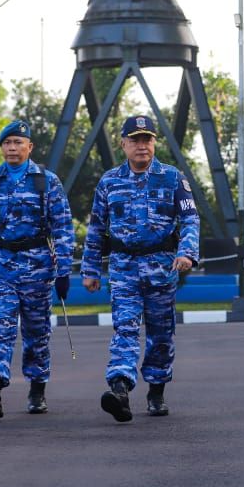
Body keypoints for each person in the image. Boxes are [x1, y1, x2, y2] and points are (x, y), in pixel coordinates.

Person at [82, 115, 200, 422]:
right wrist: (91, 269)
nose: (141, 146)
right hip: (123, 268)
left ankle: (156, 391)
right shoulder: (109, 181)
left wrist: (187, 253)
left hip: (162, 266)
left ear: (154, 143)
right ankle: (120, 388)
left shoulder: (173, 178)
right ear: (123, 144)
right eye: (135, 140)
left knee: (161, 333)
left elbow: (190, 219)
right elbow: (96, 229)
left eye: (147, 139)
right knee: (126, 327)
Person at [0, 119, 75, 419]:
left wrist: (64, 271)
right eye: (8, 143)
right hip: (1, 264)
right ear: (2, 148)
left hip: (38, 266)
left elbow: (63, 228)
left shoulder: (47, 181)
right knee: (0, 327)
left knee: (36, 332)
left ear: (30, 147)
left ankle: (37, 387)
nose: (13, 147)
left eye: (18, 142)